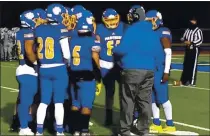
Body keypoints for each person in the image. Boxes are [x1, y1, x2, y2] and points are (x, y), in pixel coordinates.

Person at [24, 3, 70, 135]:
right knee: (59, 102)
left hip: (43, 68)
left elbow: (34, 48)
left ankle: (38, 131)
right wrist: (67, 63)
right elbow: (66, 54)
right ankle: (59, 131)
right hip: (58, 68)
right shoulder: (61, 28)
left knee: (44, 102)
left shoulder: (39, 29)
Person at [113, 21, 160, 136]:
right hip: (149, 69)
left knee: (128, 101)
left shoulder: (131, 30)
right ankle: (143, 130)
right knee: (145, 101)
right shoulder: (153, 33)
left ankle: (125, 131)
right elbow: (158, 53)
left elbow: (122, 49)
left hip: (132, 69)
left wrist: (115, 50)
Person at [69, 10, 101, 136]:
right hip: (87, 75)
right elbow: (95, 57)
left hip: (73, 74)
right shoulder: (92, 40)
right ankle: (84, 130)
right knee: (87, 105)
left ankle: (75, 129)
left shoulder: (72, 40)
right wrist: (98, 72)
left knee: (75, 103)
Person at [145, 10, 176, 133]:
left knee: (163, 98)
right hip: (151, 68)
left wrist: (166, 71)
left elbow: (168, 51)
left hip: (160, 69)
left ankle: (170, 124)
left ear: (157, 19)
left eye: (150, 20)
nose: (149, 23)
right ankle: (156, 122)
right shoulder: (150, 33)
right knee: (152, 97)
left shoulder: (163, 31)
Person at [95, 8, 126, 126]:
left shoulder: (124, 27)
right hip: (106, 64)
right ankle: (109, 117)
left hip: (120, 64)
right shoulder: (99, 29)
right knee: (110, 92)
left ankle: (124, 116)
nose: (112, 22)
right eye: (109, 20)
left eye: (114, 20)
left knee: (123, 92)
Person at [174, 17, 203, 86]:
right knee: (186, 64)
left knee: (193, 65)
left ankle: (192, 82)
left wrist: (191, 42)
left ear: (196, 22)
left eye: (194, 21)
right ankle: (183, 81)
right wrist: (183, 40)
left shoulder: (198, 30)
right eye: (191, 20)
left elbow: (200, 40)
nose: (192, 22)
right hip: (187, 49)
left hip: (194, 49)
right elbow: (183, 37)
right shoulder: (187, 30)